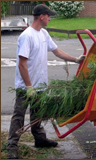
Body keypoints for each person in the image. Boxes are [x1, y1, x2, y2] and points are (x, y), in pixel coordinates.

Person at [7, 4, 85, 159]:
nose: (50, 18)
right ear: (41, 16)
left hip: (40, 86)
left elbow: (57, 51)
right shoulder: (27, 36)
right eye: (49, 15)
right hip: (25, 87)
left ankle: (40, 140)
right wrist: (29, 86)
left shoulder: (44, 33)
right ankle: (11, 146)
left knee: (38, 115)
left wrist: (76, 59)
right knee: (19, 116)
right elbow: (22, 64)